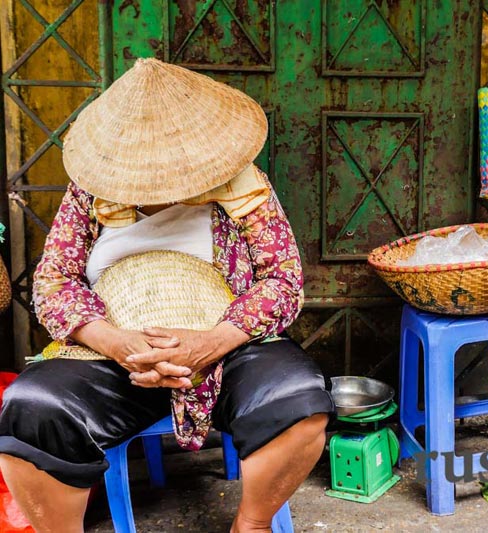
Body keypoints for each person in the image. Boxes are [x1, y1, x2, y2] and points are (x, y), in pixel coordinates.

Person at [0, 58, 334, 533]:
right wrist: (116, 343)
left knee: (297, 398)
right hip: (108, 356)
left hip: (226, 345)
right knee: (32, 408)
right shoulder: (89, 192)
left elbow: (282, 279)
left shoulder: (244, 184)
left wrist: (210, 343)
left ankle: (253, 523)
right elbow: (53, 282)